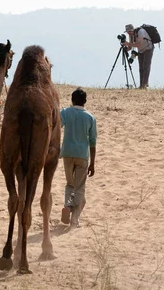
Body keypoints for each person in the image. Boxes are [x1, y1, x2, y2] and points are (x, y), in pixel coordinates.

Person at [60, 88, 97, 228]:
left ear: (72, 100)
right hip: (82, 155)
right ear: (85, 101)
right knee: (80, 187)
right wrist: (92, 163)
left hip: (67, 153)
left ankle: (67, 206)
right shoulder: (90, 117)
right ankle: (74, 218)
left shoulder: (65, 112)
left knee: (70, 184)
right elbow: (93, 142)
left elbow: (56, 124)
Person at [123, 24, 154, 89]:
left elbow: (139, 44)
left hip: (148, 48)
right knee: (141, 68)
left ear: (132, 30)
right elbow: (130, 46)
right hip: (141, 51)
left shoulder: (140, 32)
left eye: (129, 31)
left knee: (146, 66)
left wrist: (128, 43)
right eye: (127, 32)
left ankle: (145, 85)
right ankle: (141, 85)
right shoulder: (131, 36)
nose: (128, 33)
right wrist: (125, 48)